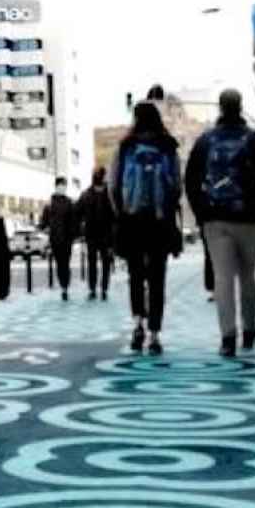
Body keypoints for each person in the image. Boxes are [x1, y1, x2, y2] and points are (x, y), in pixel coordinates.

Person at [185, 89, 255, 356]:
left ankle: (227, 337)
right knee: (247, 275)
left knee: (222, 277)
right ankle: (250, 330)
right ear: (241, 107)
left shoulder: (205, 141)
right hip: (248, 218)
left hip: (215, 220)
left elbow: (191, 182)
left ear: (220, 108)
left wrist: (201, 214)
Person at [109, 102, 182, 356]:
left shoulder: (125, 146)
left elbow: (114, 185)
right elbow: (177, 186)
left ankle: (137, 324)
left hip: (133, 221)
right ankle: (155, 334)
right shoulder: (168, 145)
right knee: (158, 277)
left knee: (136, 275)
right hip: (160, 221)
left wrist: (121, 213)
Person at [75, 166, 115, 300]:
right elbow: (77, 212)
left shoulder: (108, 194)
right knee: (94, 263)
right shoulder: (89, 194)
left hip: (104, 235)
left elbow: (116, 216)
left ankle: (102, 289)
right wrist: (80, 228)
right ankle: (94, 289)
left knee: (104, 264)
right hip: (93, 235)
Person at [38, 177, 77, 301]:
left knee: (65, 263)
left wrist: (74, 234)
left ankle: (65, 286)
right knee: (60, 264)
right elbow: (44, 222)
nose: (62, 188)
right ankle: (64, 286)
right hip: (55, 239)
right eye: (60, 185)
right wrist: (43, 227)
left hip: (67, 239)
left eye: (64, 185)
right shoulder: (49, 203)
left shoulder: (70, 202)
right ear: (56, 186)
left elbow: (73, 221)